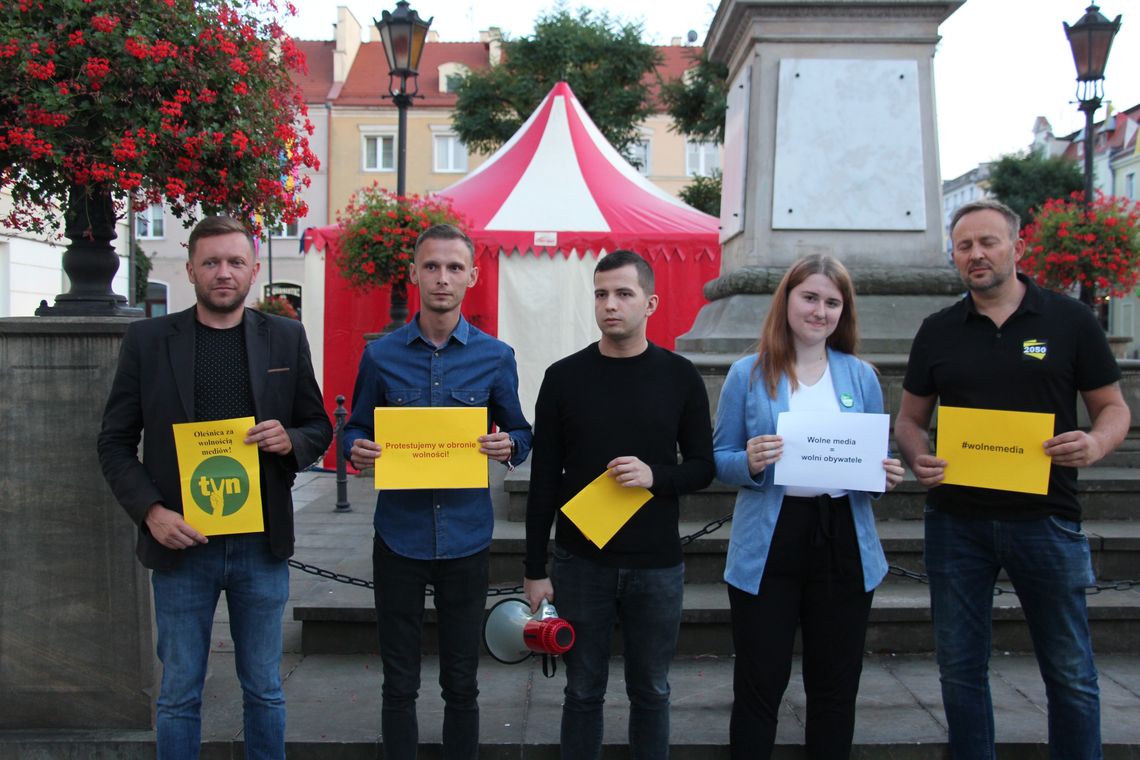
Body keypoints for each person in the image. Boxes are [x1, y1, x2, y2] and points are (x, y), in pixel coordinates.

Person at [894, 199, 1130, 760]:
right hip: (956, 523)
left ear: (1017, 247)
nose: (976, 254)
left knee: (1070, 671)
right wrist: (918, 454)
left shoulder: (1069, 320)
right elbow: (909, 418)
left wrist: (1095, 442)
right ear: (953, 257)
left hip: (1047, 519)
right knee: (960, 669)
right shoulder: (937, 330)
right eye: (965, 246)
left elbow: (1114, 407)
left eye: (988, 242)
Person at [98, 215, 332, 760]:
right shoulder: (149, 340)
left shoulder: (285, 336)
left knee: (265, 689)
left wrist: (289, 439)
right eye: (211, 263)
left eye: (233, 262)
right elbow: (114, 442)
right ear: (191, 270)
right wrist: (151, 511)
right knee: (178, 693)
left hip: (260, 543)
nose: (222, 273)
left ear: (253, 270)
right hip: (182, 543)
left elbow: (318, 426)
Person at [342, 223, 532, 760]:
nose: (442, 278)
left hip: (467, 538)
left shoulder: (496, 357)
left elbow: (521, 430)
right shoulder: (381, 356)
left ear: (471, 276)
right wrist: (357, 448)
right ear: (413, 274)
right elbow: (355, 426)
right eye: (431, 266)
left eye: (453, 267)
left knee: (462, 684)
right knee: (398, 683)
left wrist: (508, 446)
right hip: (399, 536)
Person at [523, 249, 715, 760]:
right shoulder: (563, 377)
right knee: (581, 691)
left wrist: (656, 477)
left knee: (651, 691)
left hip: (656, 564)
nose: (611, 305)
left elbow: (703, 466)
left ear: (649, 303)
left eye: (624, 294)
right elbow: (542, 478)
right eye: (602, 294)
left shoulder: (680, 377)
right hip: (581, 561)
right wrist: (534, 567)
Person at [712, 254, 904, 759]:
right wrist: (749, 461)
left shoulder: (860, 376)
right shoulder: (746, 374)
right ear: (788, 300)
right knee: (759, 681)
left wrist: (884, 475)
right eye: (810, 297)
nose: (820, 311)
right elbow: (718, 458)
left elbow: (869, 463)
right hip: (770, 540)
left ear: (844, 311)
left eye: (832, 302)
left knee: (836, 685)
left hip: (841, 536)